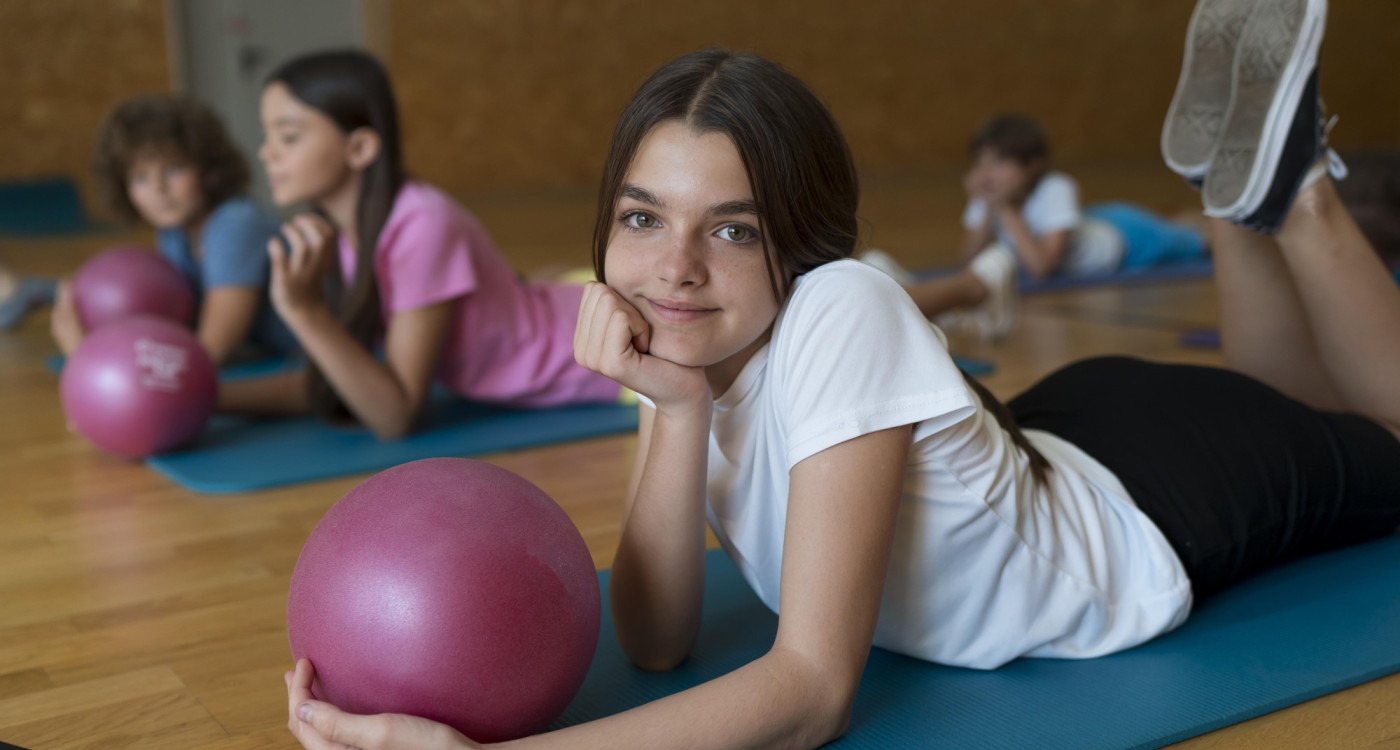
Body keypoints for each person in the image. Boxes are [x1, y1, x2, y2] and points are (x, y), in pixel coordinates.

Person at [283, 8, 1400, 750]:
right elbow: (657, 638)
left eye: (729, 230)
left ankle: (1290, 188)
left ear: (799, 244)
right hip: (1044, 437)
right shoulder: (666, 338)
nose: (670, 267)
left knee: (1375, 441)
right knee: (1291, 405)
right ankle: (1225, 198)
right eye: (641, 218)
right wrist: (673, 411)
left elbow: (811, 691)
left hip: (1146, 508)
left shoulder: (840, 305)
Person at [219, 50, 622, 440]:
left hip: (609, 354)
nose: (265, 153)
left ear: (359, 148)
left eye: (288, 136)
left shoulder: (422, 225)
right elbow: (335, 378)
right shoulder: (341, 232)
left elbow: (394, 415)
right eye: (265, 135)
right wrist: (206, 399)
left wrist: (303, 310)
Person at [862, 113, 1211, 341]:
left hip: (1125, 237)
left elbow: (1042, 268)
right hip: (1092, 221)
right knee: (1178, 224)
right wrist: (988, 210)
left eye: (999, 163)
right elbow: (967, 259)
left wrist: (1005, 209)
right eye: (980, 164)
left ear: (1033, 165)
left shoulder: (1056, 188)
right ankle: (1185, 217)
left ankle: (1207, 219)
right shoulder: (991, 198)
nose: (986, 174)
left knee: (1197, 239)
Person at [50, 95, 294, 363]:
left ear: (207, 168)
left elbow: (207, 354)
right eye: (140, 178)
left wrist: (84, 354)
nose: (158, 189)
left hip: (304, 366)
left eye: (174, 169)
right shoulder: (173, 233)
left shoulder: (235, 223)